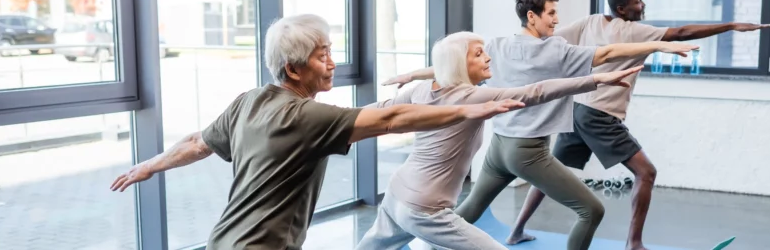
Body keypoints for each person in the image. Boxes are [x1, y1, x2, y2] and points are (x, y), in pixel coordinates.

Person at [108, 14, 526, 250]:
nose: (331, 63)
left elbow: (196, 143)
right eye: (323, 55)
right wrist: (473, 108)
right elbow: (392, 119)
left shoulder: (248, 100)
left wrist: (150, 164)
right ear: (294, 68)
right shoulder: (308, 118)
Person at [381, 0, 700, 250]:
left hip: (498, 151)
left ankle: (421, 243)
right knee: (591, 211)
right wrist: (662, 44)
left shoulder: (497, 45)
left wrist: (412, 74)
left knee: (468, 212)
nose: (556, 20)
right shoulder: (557, 50)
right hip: (528, 153)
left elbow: (451, 67)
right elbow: (606, 53)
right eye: (551, 14)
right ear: (531, 16)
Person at [507, 0, 770, 250]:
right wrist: (731, 25)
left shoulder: (590, 22)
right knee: (646, 173)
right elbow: (681, 32)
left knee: (550, 172)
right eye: (637, 1)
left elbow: (544, 39)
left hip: (576, 110)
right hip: (598, 115)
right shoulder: (636, 31)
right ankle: (634, 244)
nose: (642, 5)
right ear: (622, 8)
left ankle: (516, 231)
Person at [354, 31, 644, 250]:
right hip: (426, 210)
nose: (488, 57)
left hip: (397, 194)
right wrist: (596, 80)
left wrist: (328, 120)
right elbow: (536, 91)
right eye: (478, 54)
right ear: (459, 63)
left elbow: (379, 110)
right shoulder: (472, 96)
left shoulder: (421, 89)